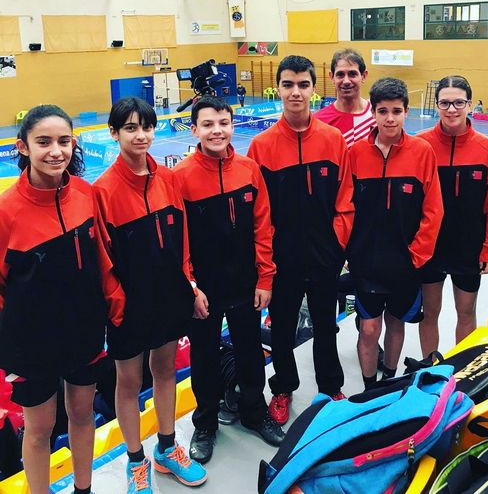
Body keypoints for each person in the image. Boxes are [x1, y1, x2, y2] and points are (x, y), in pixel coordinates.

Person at [0, 105, 125, 494]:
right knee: (39, 430)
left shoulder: (86, 194)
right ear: (23, 147)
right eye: (44, 142)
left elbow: (102, 256)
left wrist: (114, 304)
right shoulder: (5, 211)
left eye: (63, 141)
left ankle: (83, 489)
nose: (56, 151)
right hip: (29, 345)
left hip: (83, 331)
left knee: (82, 414)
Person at [93, 97, 206, 493]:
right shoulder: (103, 191)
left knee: (165, 370)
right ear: (114, 133)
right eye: (130, 128)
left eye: (146, 127)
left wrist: (189, 286)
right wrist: (117, 304)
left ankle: (167, 448)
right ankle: (135, 460)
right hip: (128, 306)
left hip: (168, 297)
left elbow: (183, 241)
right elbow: (102, 257)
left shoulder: (168, 180)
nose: (140, 135)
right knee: (128, 382)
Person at [173, 95, 284, 464]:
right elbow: (179, 241)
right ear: (194, 130)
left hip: (244, 283)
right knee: (203, 357)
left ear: (232, 126)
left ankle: (254, 412)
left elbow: (263, 227)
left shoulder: (250, 170)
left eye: (223, 123)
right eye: (208, 124)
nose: (216, 131)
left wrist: (265, 277)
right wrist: (191, 287)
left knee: (250, 350)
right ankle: (205, 423)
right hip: (204, 290)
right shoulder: (180, 177)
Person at [247, 55, 354, 425]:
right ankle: (283, 388)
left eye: (303, 85)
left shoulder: (333, 139)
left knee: (326, 324)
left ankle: (331, 387)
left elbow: (345, 198)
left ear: (314, 89)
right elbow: (259, 213)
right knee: (281, 328)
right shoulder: (261, 146)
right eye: (288, 84)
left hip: (325, 255)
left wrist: (337, 246)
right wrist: (267, 259)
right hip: (283, 259)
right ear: (277, 88)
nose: (296, 92)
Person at [347, 78, 443, 389]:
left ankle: (389, 379)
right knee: (369, 328)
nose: (390, 118)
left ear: (406, 112)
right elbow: (345, 206)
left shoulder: (422, 152)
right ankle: (369, 388)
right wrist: (349, 252)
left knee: (396, 323)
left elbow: (433, 210)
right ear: (373, 112)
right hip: (367, 263)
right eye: (383, 111)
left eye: (397, 111)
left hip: (405, 263)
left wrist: (417, 256)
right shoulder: (355, 153)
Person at [418, 75, 488, 356]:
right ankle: (430, 367)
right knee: (429, 312)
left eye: (458, 102)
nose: (451, 109)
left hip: (469, 246)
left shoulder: (487, 149)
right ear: (437, 104)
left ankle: (462, 367)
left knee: (466, 311)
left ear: (469, 104)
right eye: (445, 103)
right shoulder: (421, 145)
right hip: (431, 246)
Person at [315, 48, 377, 147]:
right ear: (332, 77)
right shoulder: (319, 121)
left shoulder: (378, 116)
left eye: (352, 74)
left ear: (363, 76)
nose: (346, 81)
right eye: (340, 74)